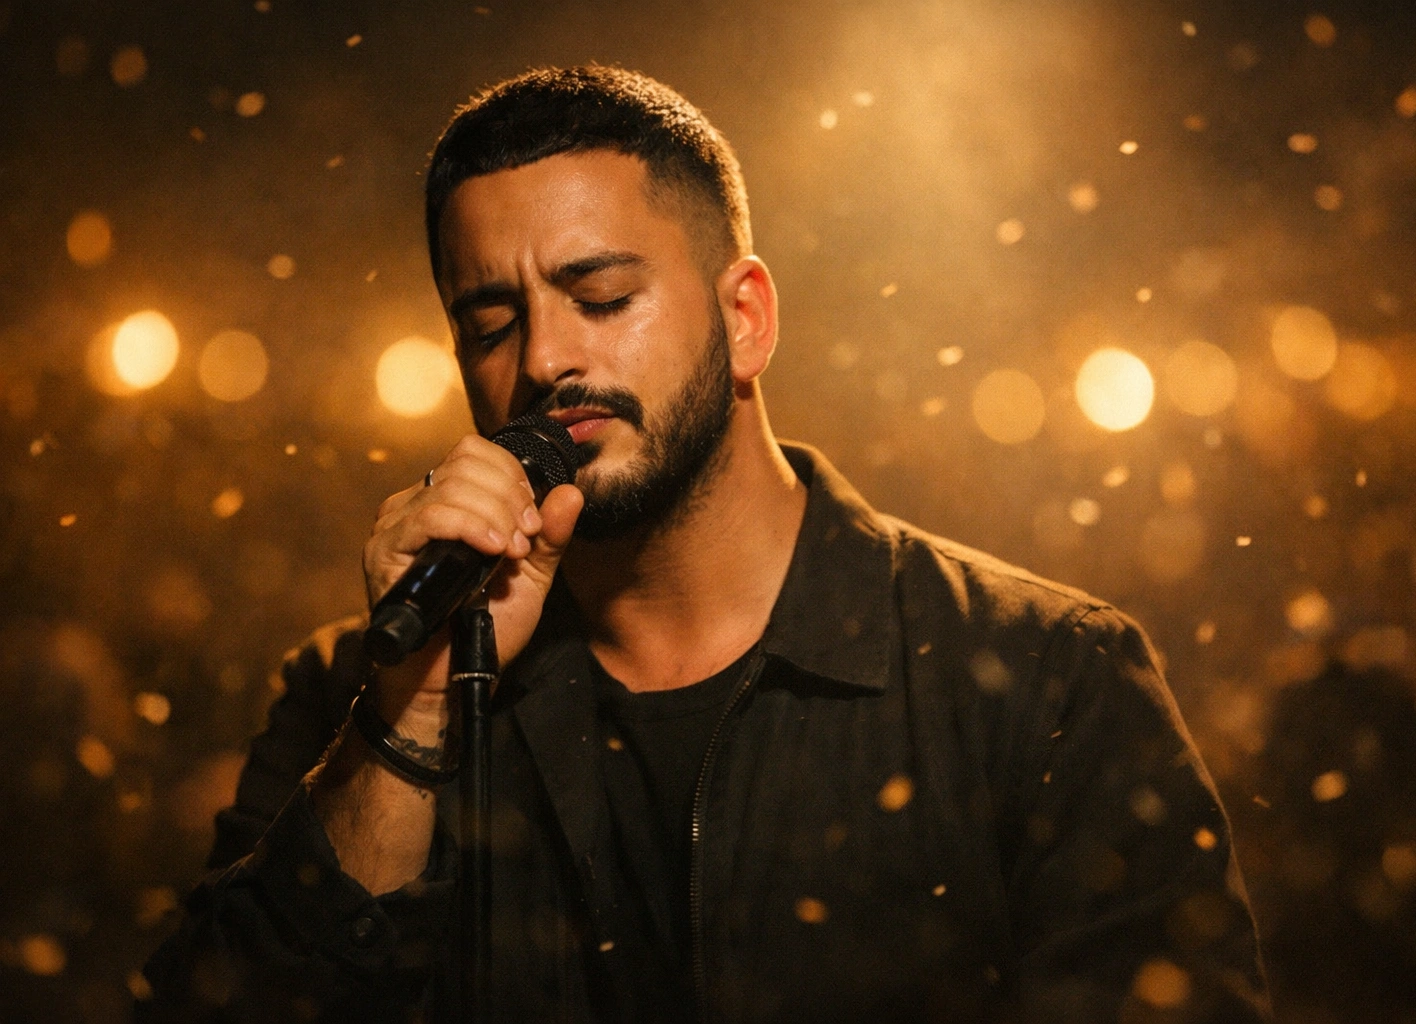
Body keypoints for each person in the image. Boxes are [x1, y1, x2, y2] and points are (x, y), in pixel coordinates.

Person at [139, 66, 1269, 1023]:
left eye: (601, 295)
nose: (543, 360)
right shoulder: (369, 691)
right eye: (490, 321)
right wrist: (412, 722)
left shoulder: (1044, 680)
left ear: (746, 318)